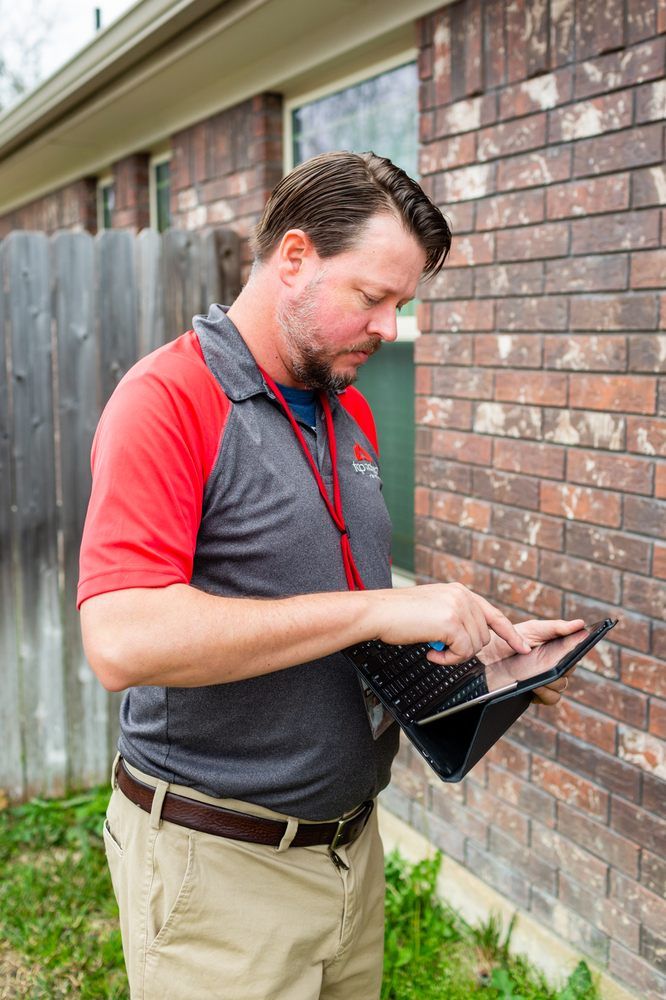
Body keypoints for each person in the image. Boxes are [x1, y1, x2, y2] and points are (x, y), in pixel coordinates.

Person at [78, 151, 582, 1000]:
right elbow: (121, 640)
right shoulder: (165, 399)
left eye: (404, 304)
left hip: (351, 849)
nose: (391, 327)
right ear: (296, 258)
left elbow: (340, 620)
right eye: (374, 297)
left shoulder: (345, 407)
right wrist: (374, 610)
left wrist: (481, 657)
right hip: (221, 871)